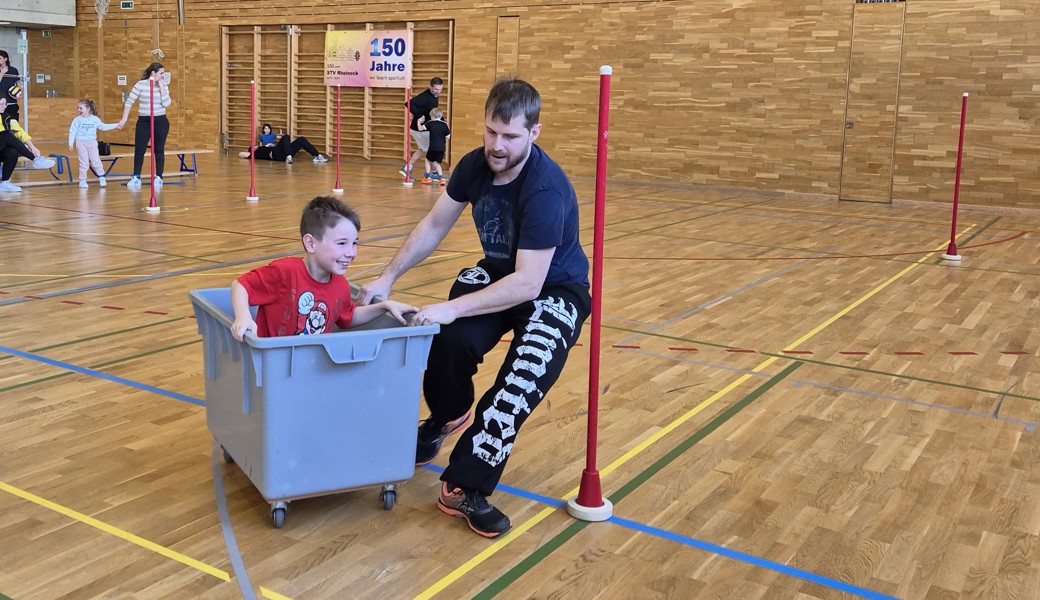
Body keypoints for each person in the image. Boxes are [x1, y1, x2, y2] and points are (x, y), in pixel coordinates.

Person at [361, 77, 591, 538]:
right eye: (491, 132)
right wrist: (387, 275)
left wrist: (453, 308)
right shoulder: (474, 165)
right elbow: (434, 223)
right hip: (500, 271)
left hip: (554, 287)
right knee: (446, 336)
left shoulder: (546, 191)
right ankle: (447, 413)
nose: (497, 146)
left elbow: (528, 284)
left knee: (520, 380)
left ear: (534, 133)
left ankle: (464, 484)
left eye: (510, 136)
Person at [231, 196, 417, 341]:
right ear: (311, 243)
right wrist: (243, 317)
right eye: (342, 243)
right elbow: (240, 285)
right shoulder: (285, 272)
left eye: (354, 243)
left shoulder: (340, 286)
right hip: (273, 368)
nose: (351, 252)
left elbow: (347, 317)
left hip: (313, 367)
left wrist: (384, 306)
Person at [117, 63, 172, 190]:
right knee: (139, 149)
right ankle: (136, 177)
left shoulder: (164, 86)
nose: (163, 76)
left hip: (160, 121)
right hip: (144, 121)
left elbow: (167, 103)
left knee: (159, 149)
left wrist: (162, 87)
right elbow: (129, 102)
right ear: (153, 73)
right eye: (161, 73)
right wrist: (124, 119)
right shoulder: (140, 85)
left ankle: (159, 177)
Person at [0, 97, 57, 193]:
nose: (4, 106)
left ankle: (5, 182)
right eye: (1, 104)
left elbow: (20, 133)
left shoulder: (7, 117)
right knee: (5, 135)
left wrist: (33, 147)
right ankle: (35, 160)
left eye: (5, 104)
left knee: (12, 152)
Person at [68, 99, 120, 189]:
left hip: (92, 143)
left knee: (96, 161)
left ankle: (101, 176)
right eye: (78, 108)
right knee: (84, 162)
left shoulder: (95, 119)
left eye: (81, 108)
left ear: (88, 108)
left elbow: (103, 127)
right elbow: (72, 131)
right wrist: (70, 143)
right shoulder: (77, 120)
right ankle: (82, 180)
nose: (79, 110)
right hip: (81, 142)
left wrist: (116, 125)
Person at [399, 77, 443, 180]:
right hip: (418, 128)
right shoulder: (425, 96)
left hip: (425, 128)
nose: (438, 91)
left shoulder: (434, 96)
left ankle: (435, 173)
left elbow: (432, 111)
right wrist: (419, 115)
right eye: (436, 89)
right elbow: (408, 103)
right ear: (430, 87)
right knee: (427, 150)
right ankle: (408, 169)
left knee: (428, 149)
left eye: (440, 89)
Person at [237, 124, 328, 164]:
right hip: (276, 155)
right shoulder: (256, 153)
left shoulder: (263, 145)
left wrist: (269, 145)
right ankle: (288, 157)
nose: (255, 146)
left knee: (301, 139)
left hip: (280, 151)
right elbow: (240, 154)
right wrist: (255, 149)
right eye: (253, 147)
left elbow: (279, 140)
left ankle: (316, 156)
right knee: (286, 137)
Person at [418, 107, 450, 185]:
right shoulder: (445, 124)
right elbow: (448, 137)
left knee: (427, 160)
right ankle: (441, 178)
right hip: (442, 148)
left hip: (433, 147)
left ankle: (428, 176)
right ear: (441, 115)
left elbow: (420, 129)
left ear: (432, 115)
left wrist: (418, 121)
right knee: (437, 163)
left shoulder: (430, 123)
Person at [0, 50, 22, 121]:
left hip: (11, 103)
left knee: (12, 126)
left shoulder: (13, 70)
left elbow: (18, 84)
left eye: (0, 58)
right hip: (0, 104)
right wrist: (2, 74)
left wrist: (21, 94)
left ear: (5, 59)